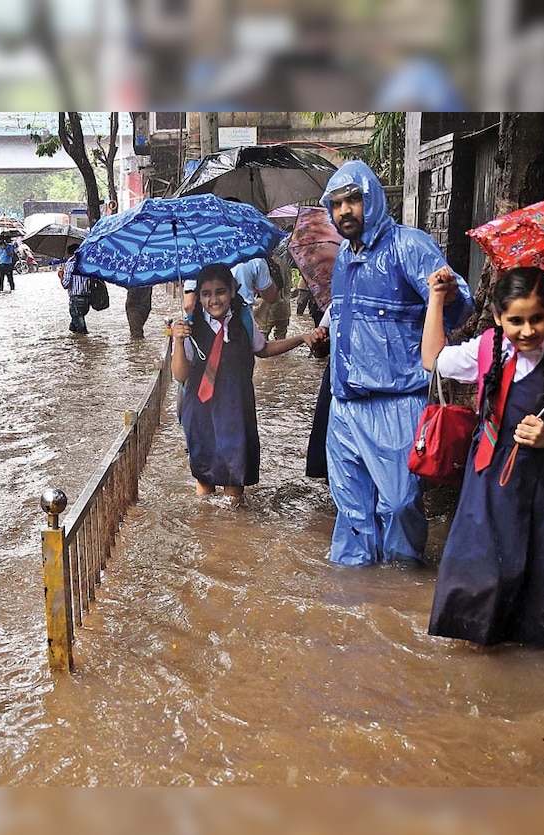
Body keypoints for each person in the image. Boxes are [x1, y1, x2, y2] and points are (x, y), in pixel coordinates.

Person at [422, 266, 544, 649]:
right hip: (490, 478)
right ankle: (481, 642)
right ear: (498, 317)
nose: (527, 330)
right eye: (515, 320)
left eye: (537, 319)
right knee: (483, 564)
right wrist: (436, 299)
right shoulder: (485, 349)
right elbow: (432, 360)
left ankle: (537, 649)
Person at [304, 159, 474, 567]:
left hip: (398, 402)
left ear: (373, 200)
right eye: (337, 203)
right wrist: (326, 339)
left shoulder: (410, 246)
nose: (345, 210)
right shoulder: (343, 257)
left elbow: (458, 302)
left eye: (354, 200)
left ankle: (401, 582)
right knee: (351, 514)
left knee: (399, 505)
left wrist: (447, 292)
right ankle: (356, 597)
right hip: (345, 406)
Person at [169, 263, 313, 506]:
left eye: (220, 292)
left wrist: (300, 338)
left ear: (233, 291)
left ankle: (232, 526)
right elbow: (180, 375)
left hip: (236, 408)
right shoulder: (189, 326)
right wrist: (178, 339)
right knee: (205, 478)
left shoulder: (244, 319)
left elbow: (263, 349)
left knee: (234, 480)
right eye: (206, 294)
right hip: (201, 411)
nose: (214, 300)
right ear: (199, 296)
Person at [59, 243, 92, 335]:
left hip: (76, 299)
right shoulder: (86, 264)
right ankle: (74, 343)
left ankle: (85, 345)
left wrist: (61, 276)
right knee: (73, 326)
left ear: (69, 253)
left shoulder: (70, 265)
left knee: (82, 330)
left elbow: (65, 285)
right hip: (87, 299)